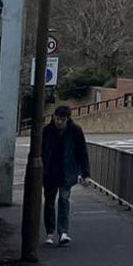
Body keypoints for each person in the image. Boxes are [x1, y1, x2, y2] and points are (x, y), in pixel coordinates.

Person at [40, 105, 90, 246]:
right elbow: (41, 151)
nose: (59, 122)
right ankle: (50, 232)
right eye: (57, 119)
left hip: (67, 171)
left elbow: (82, 153)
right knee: (49, 202)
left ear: (67, 119)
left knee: (64, 199)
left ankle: (63, 232)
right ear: (53, 117)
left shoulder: (75, 131)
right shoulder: (47, 131)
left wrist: (85, 174)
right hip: (50, 171)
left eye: (62, 119)